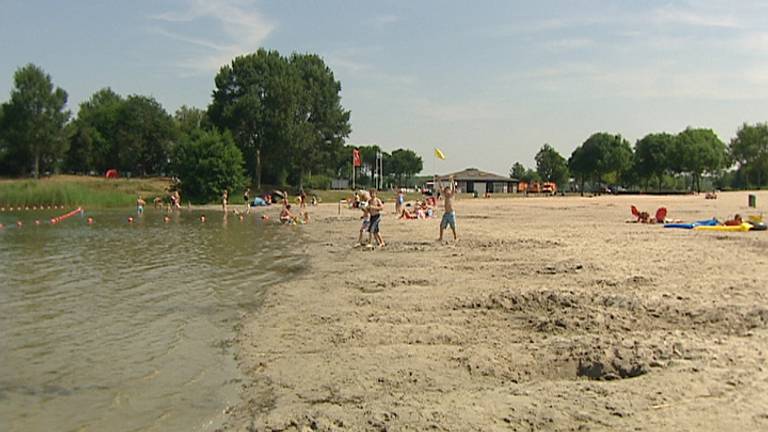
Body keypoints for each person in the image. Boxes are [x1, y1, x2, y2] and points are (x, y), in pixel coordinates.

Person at [438, 175, 457, 242]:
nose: (447, 192)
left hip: (451, 213)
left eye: (448, 190)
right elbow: (440, 188)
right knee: (441, 226)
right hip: (446, 214)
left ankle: (455, 237)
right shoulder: (445, 196)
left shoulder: (451, 196)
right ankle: (441, 237)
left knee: (453, 227)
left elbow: (453, 190)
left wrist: (452, 181)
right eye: (446, 190)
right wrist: (439, 180)